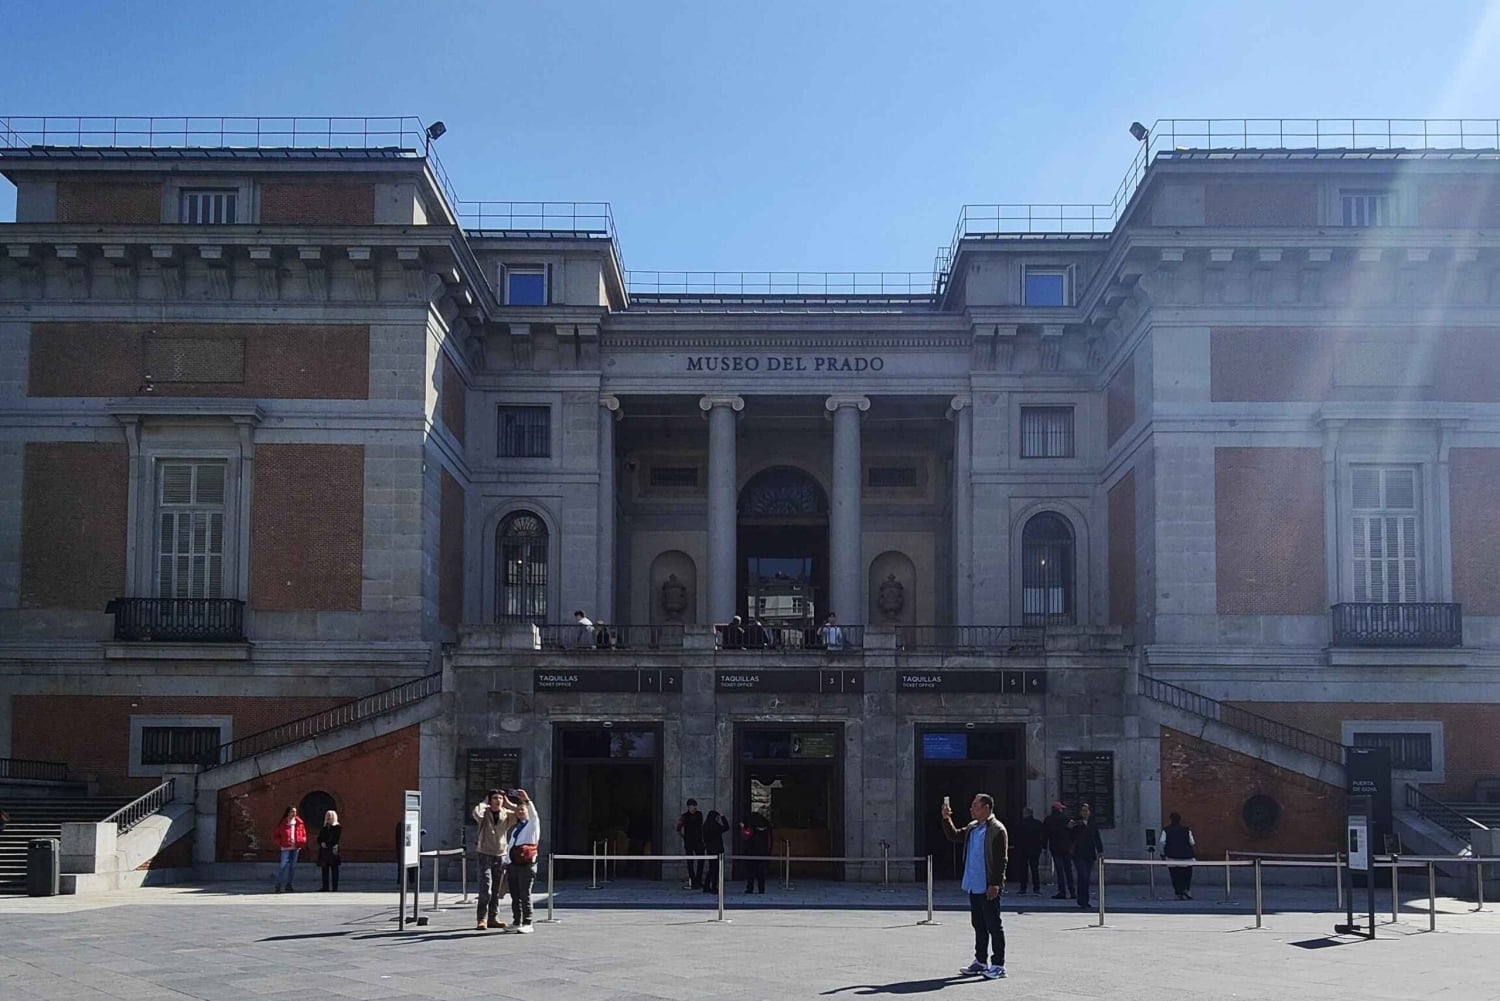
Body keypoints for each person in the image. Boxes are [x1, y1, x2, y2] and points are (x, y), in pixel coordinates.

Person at [941, 793, 1008, 980]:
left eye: (975, 806)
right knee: (978, 924)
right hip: (973, 883)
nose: (971, 809)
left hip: (987, 885)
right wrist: (947, 818)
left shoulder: (997, 830)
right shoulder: (973, 828)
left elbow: (1001, 860)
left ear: (986, 808)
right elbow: (954, 836)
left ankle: (998, 964)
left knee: (993, 924)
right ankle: (980, 960)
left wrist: (995, 883)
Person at [471, 788, 517, 929]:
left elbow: (521, 813)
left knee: (497, 889)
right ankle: (482, 918)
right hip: (485, 852)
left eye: (500, 798)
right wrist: (484, 803)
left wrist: (509, 803)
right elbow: (476, 813)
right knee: (486, 887)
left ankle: (493, 917)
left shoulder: (506, 814)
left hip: (501, 853)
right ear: (490, 800)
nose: (498, 801)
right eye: (495, 798)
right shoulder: (484, 813)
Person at [506, 789, 541, 933]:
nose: (520, 812)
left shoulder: (532, 825)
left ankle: (528, 922)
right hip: (513, 863)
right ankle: (517, 920)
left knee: (524, 894)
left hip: (526, 864)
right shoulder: (517, 828)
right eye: (518, 810)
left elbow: (534, 814)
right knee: (515, 895)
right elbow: (510, 847)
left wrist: (527, 800)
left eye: (523, 810)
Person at [1068, 801, 1104, 909]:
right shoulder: (1075, 822)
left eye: (1086, 810)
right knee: (1082, 876)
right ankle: (1081, 900)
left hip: (1089, 853)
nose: (1085, 813)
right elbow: (1068, 836)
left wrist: (1100, 851)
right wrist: (1069, 827)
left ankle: (1085, 901)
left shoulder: (1093, 823)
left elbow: (1097, 838)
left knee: (1086, 878)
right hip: (1078, 853)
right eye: (1083, 810)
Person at [1159, 812, 1197, 899]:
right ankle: (1186, 890)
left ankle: (1178, 892)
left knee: (1175, 875)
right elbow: (1192, 842)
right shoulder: (1186, 830)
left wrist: (1162, 855)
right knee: (1187, 875)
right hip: (1186, 856)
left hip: (1172, 856)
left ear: (1171, 819)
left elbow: (1162, 843)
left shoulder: (1166, 830)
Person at [1042, 801, 1074, 900]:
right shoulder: (1066, 819)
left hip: (1055, 847)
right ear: (1059, 809)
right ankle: (1072, 892)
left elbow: (1045, 834)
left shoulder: (1048, 820)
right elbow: (1072, 832)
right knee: (1068, 870)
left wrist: (1044, 846)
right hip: (1066, 847)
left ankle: (1062, 892)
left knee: (1060, 871)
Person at [271, 805, 306, 893]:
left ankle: (289, 885)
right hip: (285, 847)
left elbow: (303, 834)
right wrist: (281, 843)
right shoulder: (283, 823)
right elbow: (276, 835)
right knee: (283, 866)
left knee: (292, 867)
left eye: (295, 812)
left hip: (296, 847)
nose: (294, 813)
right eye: (292, 811)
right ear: (288, 812)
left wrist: (301, 842)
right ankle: (278, 885)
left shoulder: (299, 823)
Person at [676, 798, 706, 889]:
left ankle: (698, 880)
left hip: (698, 841)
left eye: (694, 806)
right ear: (688, 807)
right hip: (689, 842)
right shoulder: (684, 816)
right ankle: (693, 881)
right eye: (691, 807)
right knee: (690, 862)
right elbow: (678, 828)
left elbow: (701, 826)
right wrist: (684, 837)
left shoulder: (699, 814)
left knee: (701, 861)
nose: (693, 808)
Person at [1015, 806, 1045, 896]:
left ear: (1025, 814)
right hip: (1035, 849)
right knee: (1034, 869)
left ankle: (1023, 888)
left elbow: (1017, 837)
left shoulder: (1020, 824)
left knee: (1023, 869)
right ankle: (1036, 888)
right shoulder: (1038, 823)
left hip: (1023, 849)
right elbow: (1042, 836)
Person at [740, 811, 772, 893]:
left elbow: (746, 835)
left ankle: (750, 888)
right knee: (761, 872)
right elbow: (769, 841)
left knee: (750, 872)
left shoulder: (751, 827)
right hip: (762, 852)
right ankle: (761, 888)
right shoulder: (766, 828)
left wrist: (742, 827)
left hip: (751, 852)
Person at [701, 809, 730, 895]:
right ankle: (713, 887)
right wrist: (723, 817)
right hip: (717, 850)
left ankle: (707, 886)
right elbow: (726, 827)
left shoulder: (705, 826)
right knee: (715, 869)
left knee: (711, 868)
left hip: (710, 849)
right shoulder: (715, 826)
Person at [317, 809, 342, 892]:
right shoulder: (324, 828)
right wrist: (321, 843)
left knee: (334, 869)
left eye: (330, 816)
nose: (328, 818)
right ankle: (325, 887)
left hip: (333, 851)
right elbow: (319, 838)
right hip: (324, 851)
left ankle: (335, 887)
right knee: (325, 869)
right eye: (327, 816)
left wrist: (327, 844)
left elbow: (335, 839)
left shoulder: (337, 827)